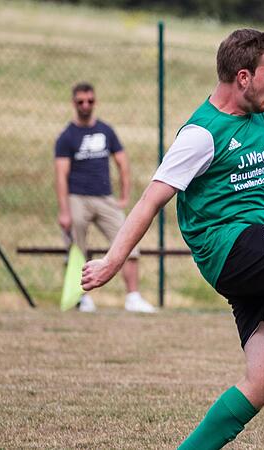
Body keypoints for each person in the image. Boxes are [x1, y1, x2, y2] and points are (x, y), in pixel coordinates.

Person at [80, 29, 264, 449]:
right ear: (243, 77)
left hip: (258, 243)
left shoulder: (258, 111)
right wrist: (112, 262)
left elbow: (253, 163)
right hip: (227, 247)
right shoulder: (200, 135)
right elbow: (150, 200)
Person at [54, 82, 156, 313]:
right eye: (81, 101)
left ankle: (133, 297)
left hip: (104, 198)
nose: (85, 105)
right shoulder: (67, 137)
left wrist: (124, 196)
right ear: (74, 103)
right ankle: (82, 298)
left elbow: (122, 163)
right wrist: (64, 211)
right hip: (77, 198)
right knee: (77, 249)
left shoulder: (106, 131)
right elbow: (61, 175)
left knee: (128, 239)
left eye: (89, 101)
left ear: (95, 102)